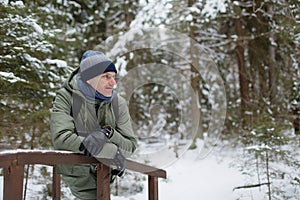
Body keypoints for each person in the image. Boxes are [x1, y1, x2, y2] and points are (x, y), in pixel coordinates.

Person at [50, 50, 138, 199]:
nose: (113, 82)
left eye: (113, 77)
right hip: (77, 176)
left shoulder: (118, 103)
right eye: (106, 77)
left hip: (105, 175)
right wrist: (110, 151)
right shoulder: (65, 97)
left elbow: (130, 146)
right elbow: (61, 138)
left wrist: (109, 133)